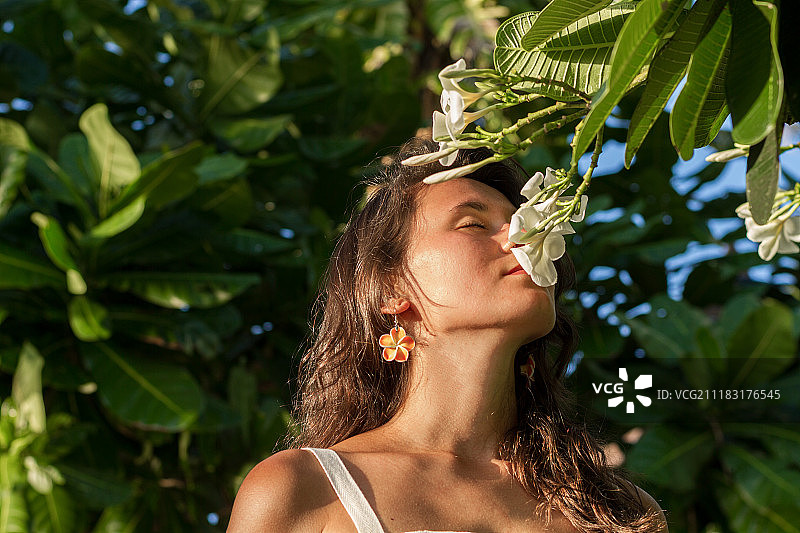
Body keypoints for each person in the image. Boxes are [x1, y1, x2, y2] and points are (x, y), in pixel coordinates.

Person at [228, 138, 669, 533]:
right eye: (474, 224)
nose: (526, 239)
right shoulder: (304, 491)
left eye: (527, 223)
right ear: (390, 286)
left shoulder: (615, 511)